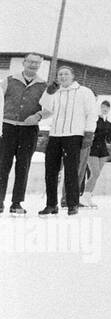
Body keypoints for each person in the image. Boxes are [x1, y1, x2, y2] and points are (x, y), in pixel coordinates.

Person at [37, 64, 97, 216]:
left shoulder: (84, 92)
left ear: (73, 76)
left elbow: (91, 113)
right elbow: (47, 108)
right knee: (50, 170)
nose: (63, 77)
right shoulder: (55, 92)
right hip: (56, 135)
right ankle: (51, 204)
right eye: (60, 74)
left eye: (66, 74)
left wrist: (89, 133)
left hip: (74, 135)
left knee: (71, 171)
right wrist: (49, 92)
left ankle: (72, 204)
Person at [2, 52, 47, 214]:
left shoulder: (43, 85)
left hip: (29, 131)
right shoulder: (9, 80)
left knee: (23, 167)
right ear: (24, 62)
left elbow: (49, 108)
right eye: (31, 62)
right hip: (7, 128)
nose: (33, 65)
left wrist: (38, 115)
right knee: (2, 165)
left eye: (37, 63)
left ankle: (16, 203)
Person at [79, 100, 111, 208]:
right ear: (100, 108)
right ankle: (85, 195)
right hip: (93, 148)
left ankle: (88, 196)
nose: (105, 109)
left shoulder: (109, 124)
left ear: (109, 109)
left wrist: (110, 135)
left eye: (107, 107)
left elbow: (109, 139)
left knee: (96, 175)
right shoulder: (94, 120)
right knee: (95, 173)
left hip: (103, 150)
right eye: (103, 107)